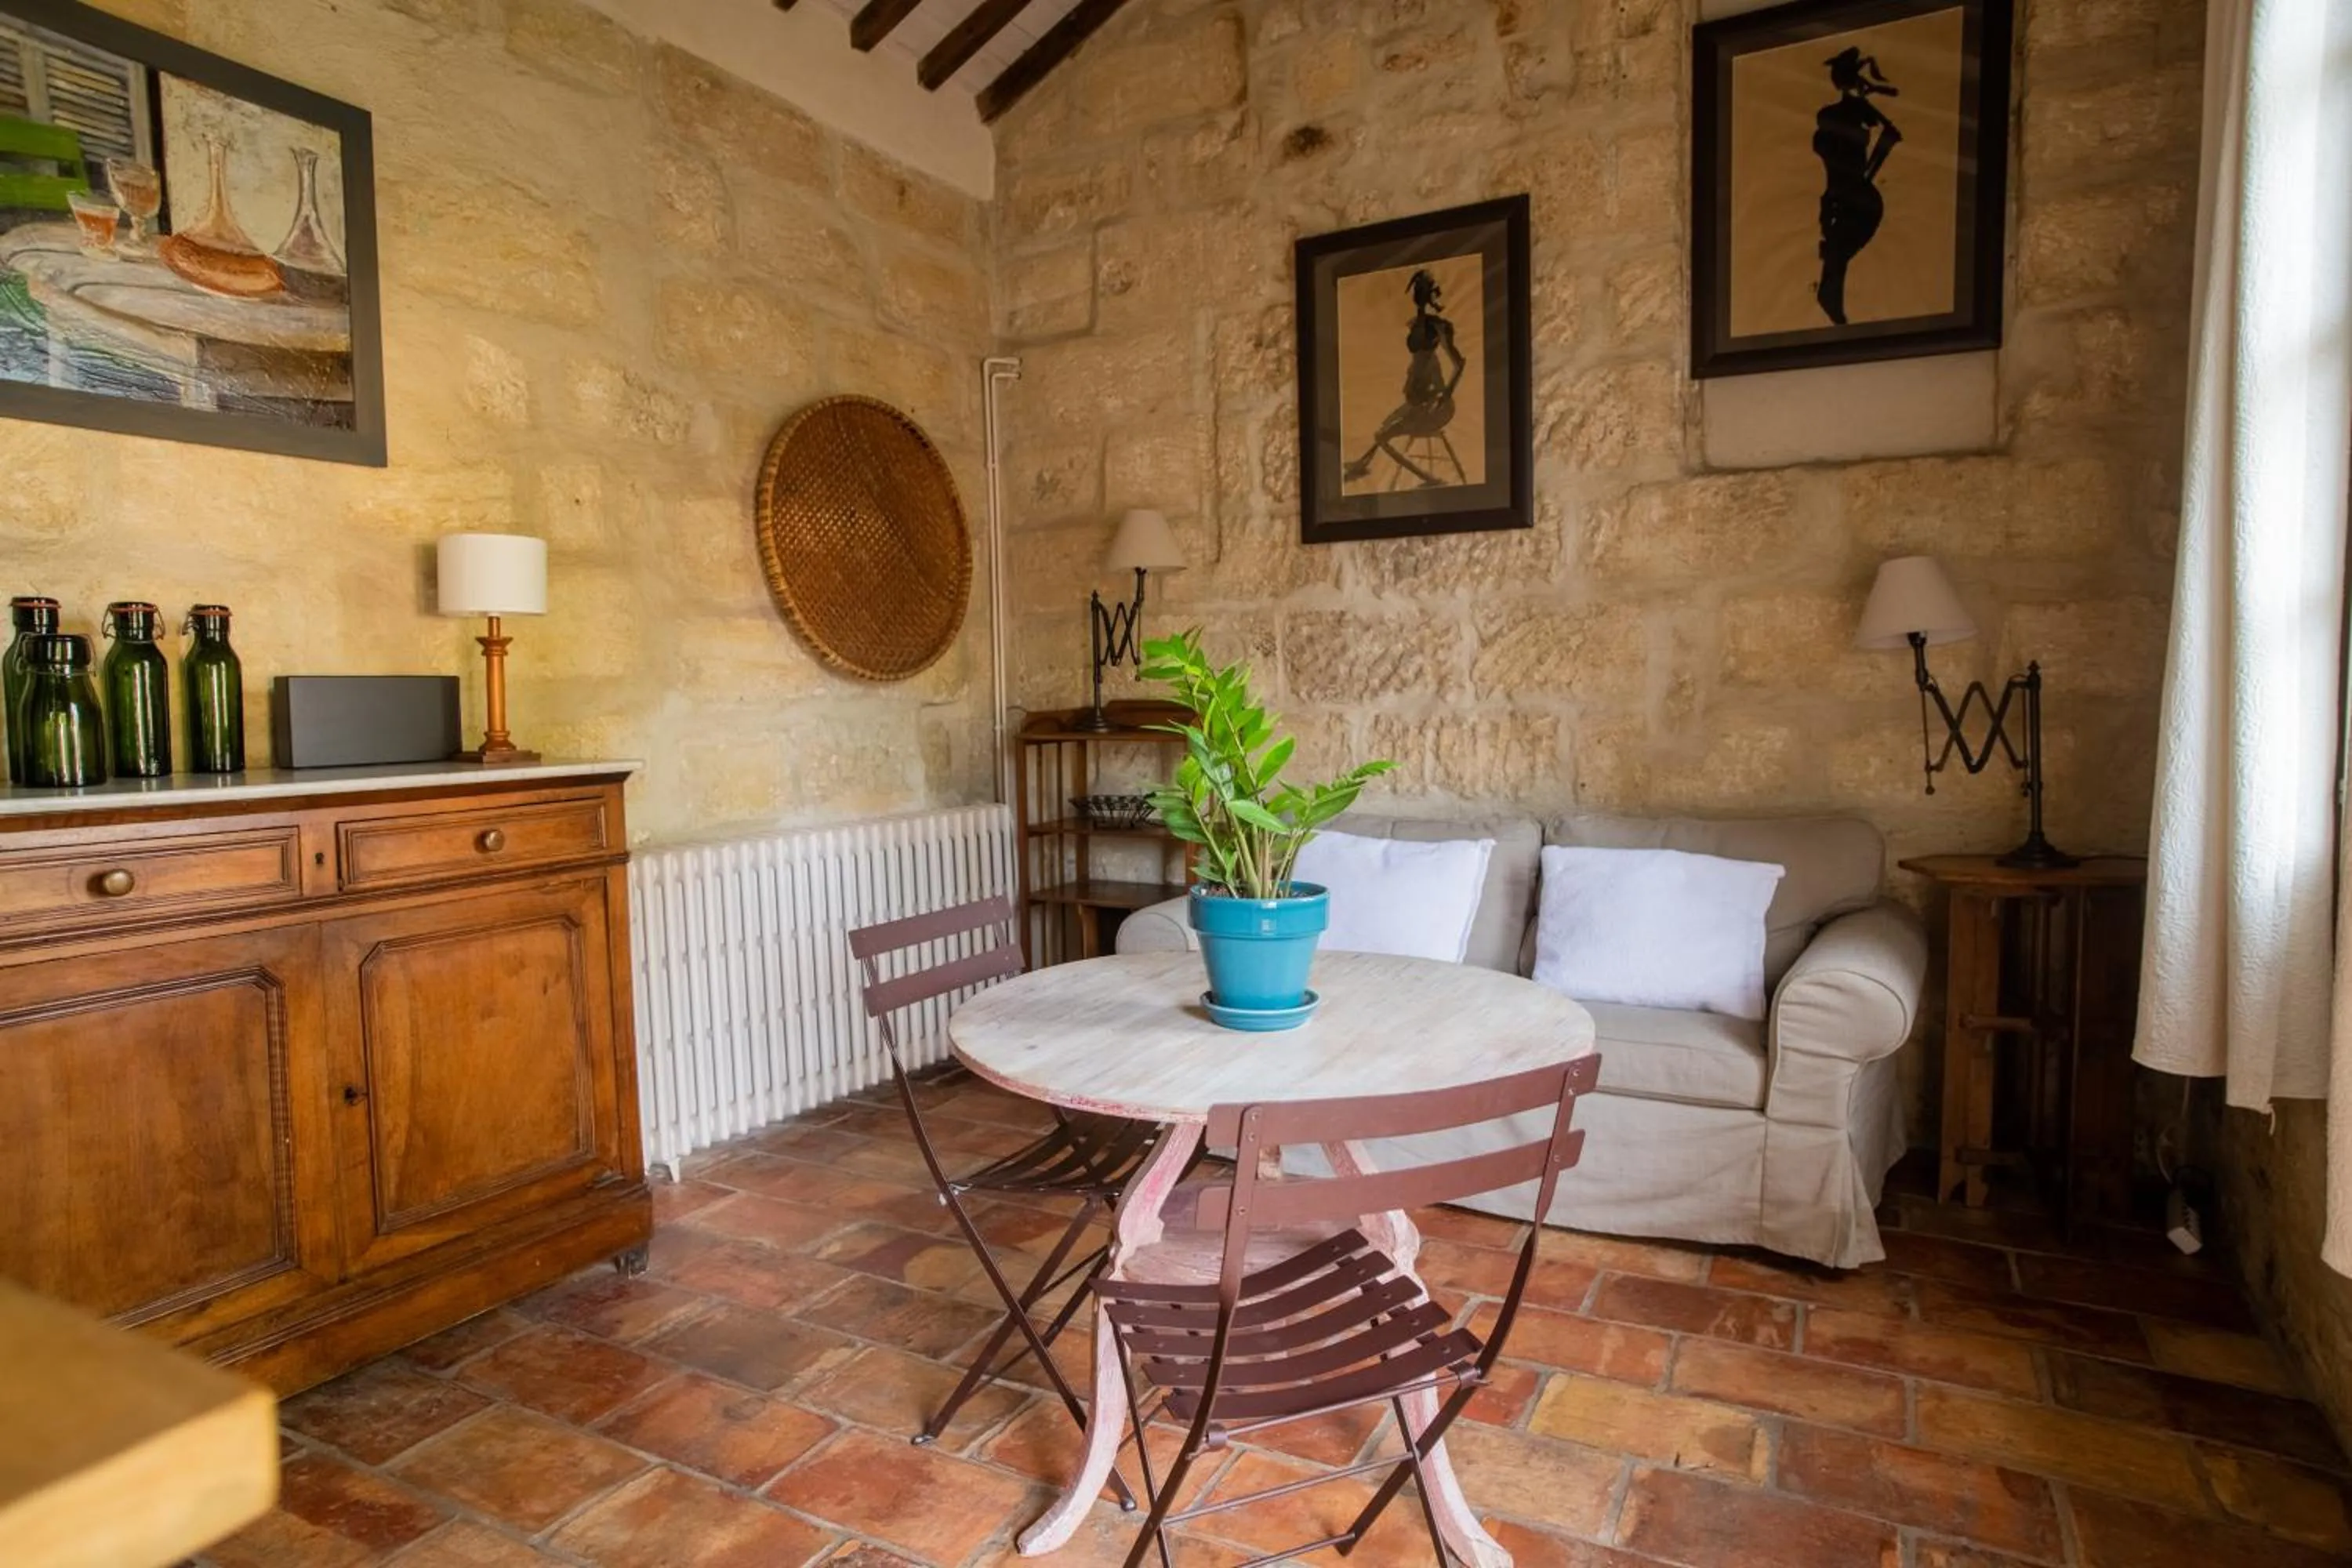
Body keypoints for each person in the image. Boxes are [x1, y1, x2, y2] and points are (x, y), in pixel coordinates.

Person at [1343, 267, 1468, 488]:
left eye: (1422, 290)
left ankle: (1430, 479)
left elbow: (1459, 363)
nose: (1418, 295)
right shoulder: (1416, 324)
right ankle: (1361, 464)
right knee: (1383, 427)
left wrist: (1445, 394)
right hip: (1417, 400)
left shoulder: (1438, 327)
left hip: (1434, 405)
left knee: (1383, 436)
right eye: (1416, 291)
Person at [1813, 45, 1903, 326]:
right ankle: (1833, 309)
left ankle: (1834, 309)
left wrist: (1866, 175)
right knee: (1835, 262)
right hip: (1840, 196)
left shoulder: (1850, 113)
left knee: (1836, 261)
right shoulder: (1834, 115)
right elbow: (1888, 133)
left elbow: (1891, 134)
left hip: (1855, 198)